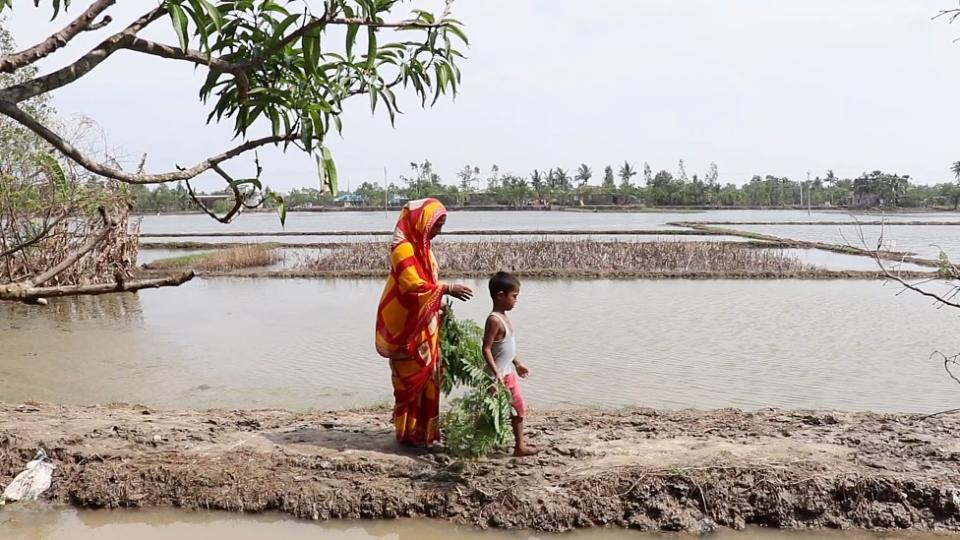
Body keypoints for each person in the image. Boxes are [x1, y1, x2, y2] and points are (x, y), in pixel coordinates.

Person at [375, 198, 473, 448]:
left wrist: (438, 304)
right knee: (408, 379)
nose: (439, 231)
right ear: (422, 222)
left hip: (425, 324)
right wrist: (447, 289)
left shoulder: (424, 247)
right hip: (406, 326)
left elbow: (426, 284)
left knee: (429, 377)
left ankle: (425, 433)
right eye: (437, 225)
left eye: (442, 225)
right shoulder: (402, 248)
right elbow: (411, 284)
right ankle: (407, 434)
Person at [482, 271, 539, 457]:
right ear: (500, 296)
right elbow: (487, 349)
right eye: (514, 296)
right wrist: (496, 373)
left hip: (507, 374)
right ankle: (516, 446)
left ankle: (518, 445)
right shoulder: (494, 320)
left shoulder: (504, 317)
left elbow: (505, 348)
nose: (516, 300)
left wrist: (517, 363)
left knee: (517, 408)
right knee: (491, 413)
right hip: (496, 378)